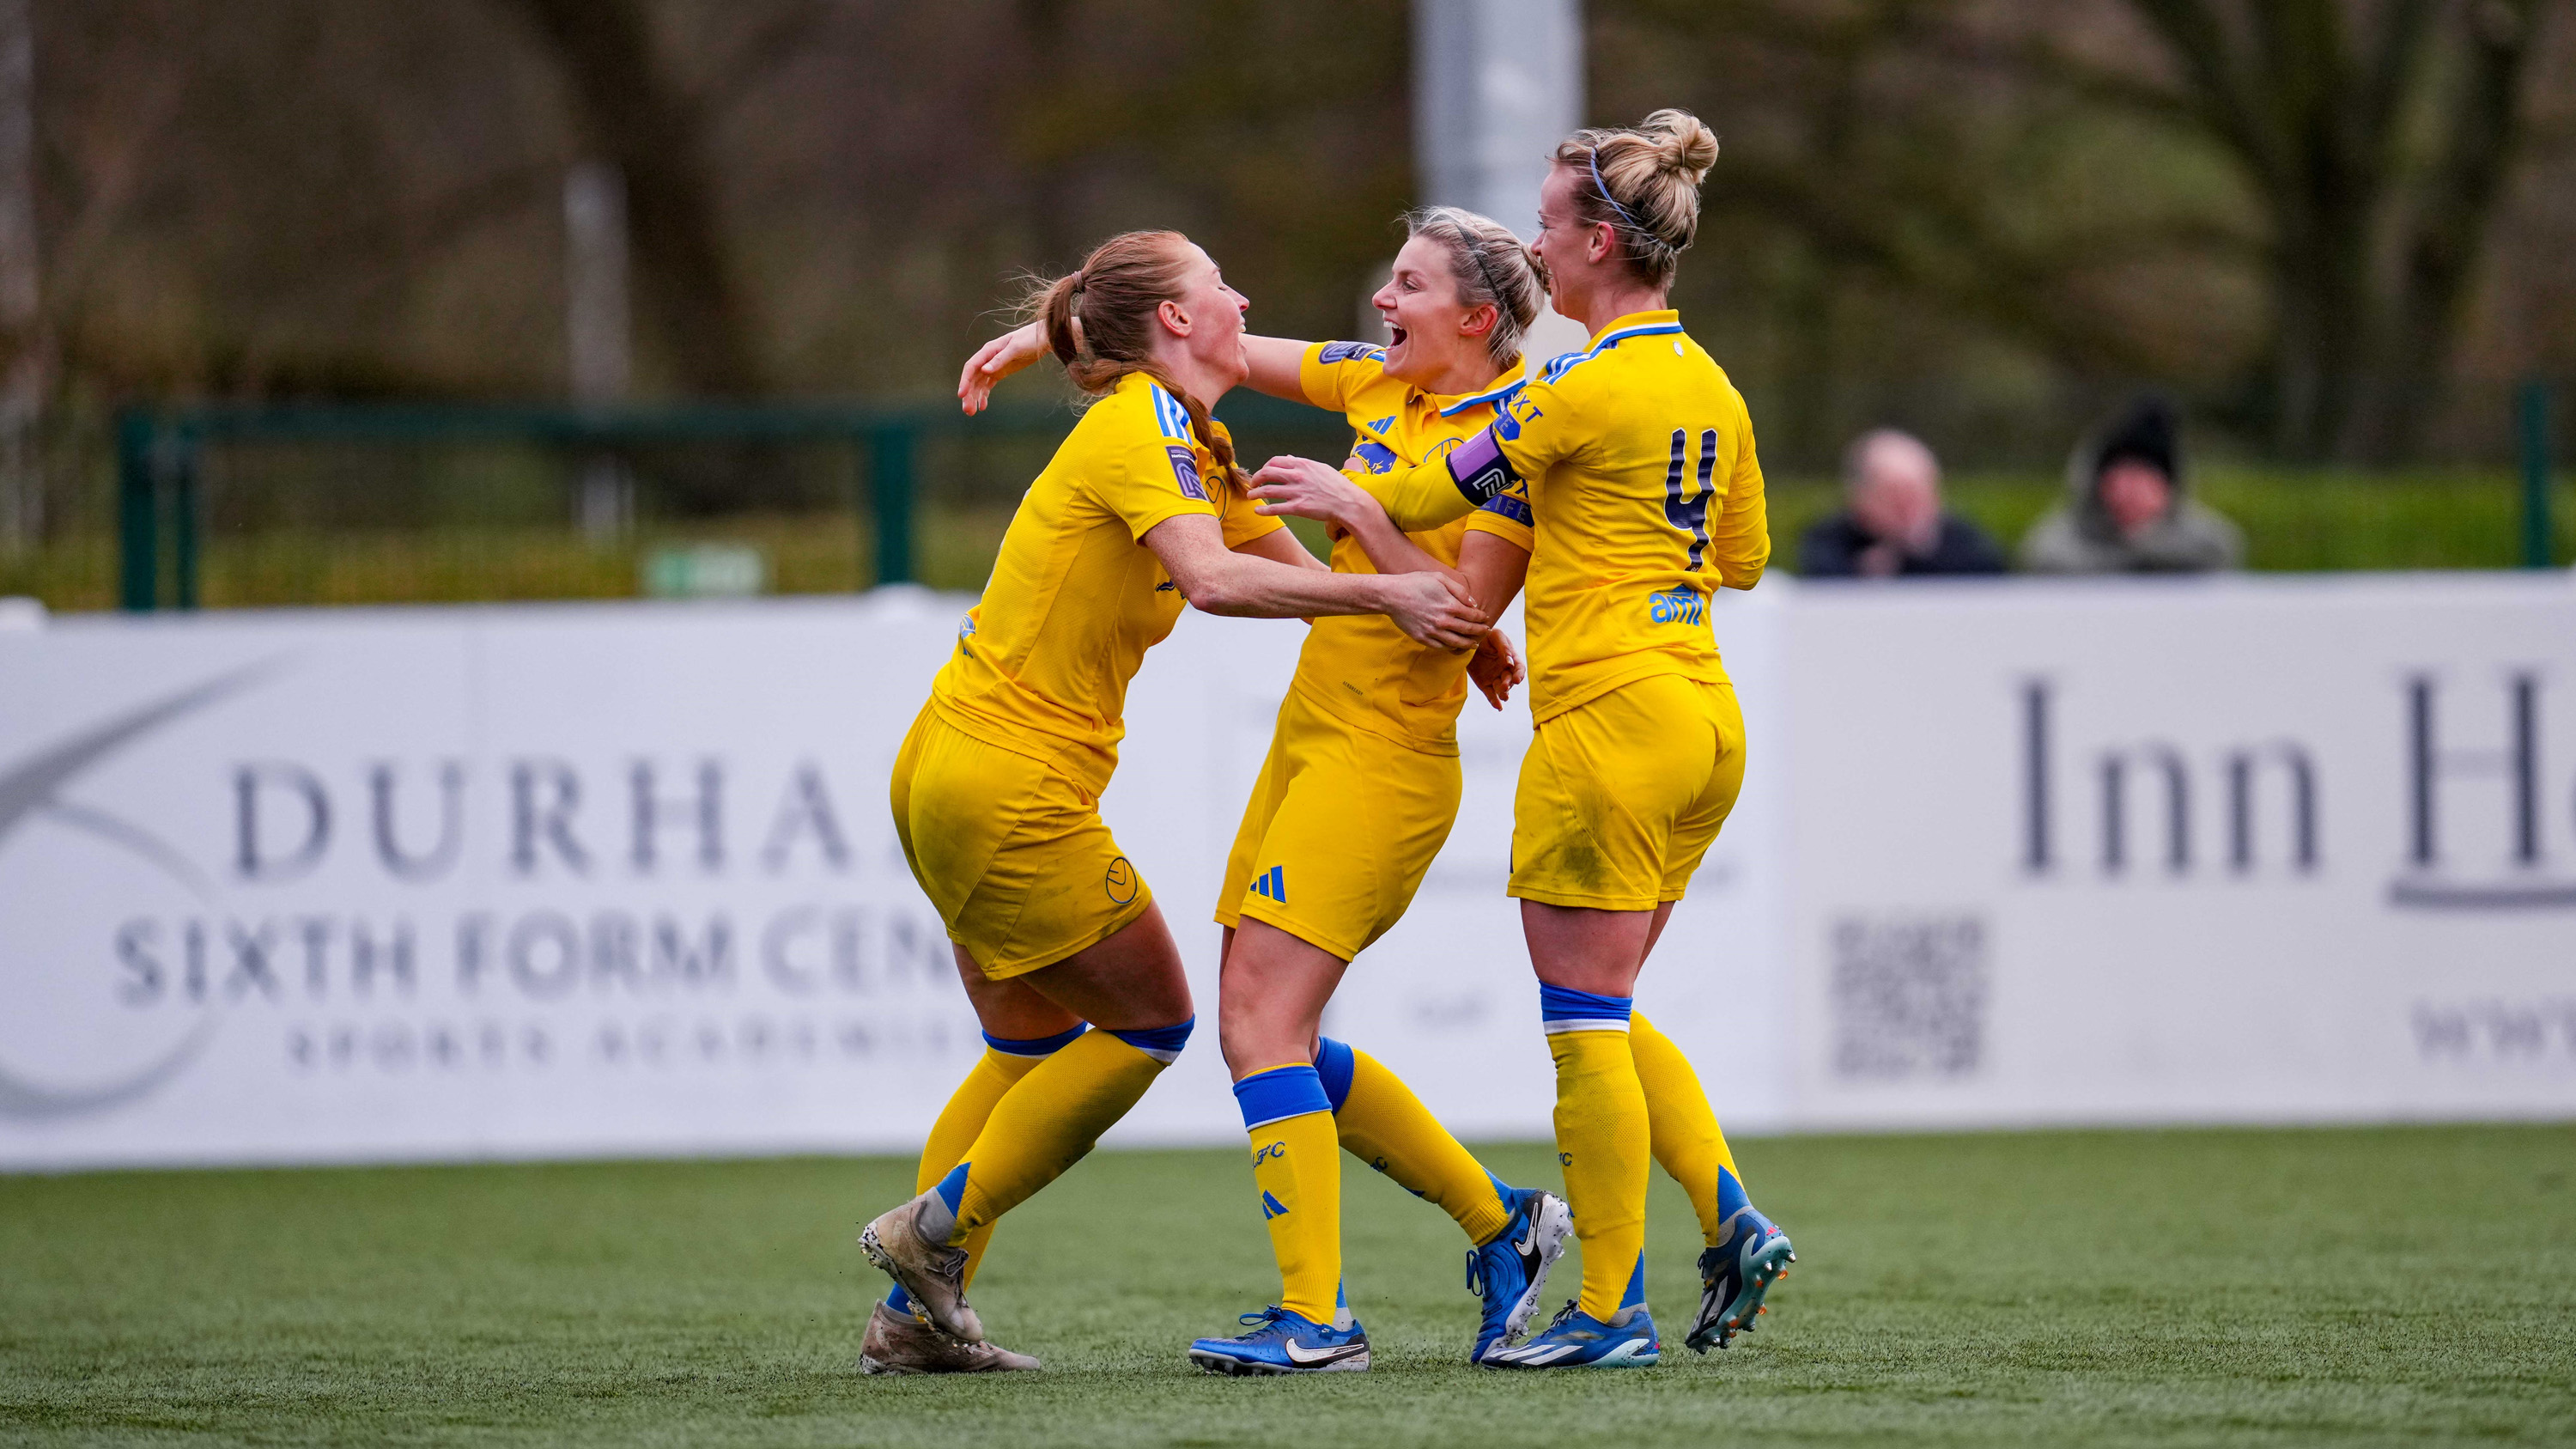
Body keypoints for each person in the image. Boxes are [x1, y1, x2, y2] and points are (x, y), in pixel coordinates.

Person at [953, 208, 1577, 1375]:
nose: (1380, 306)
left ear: (1477, 319)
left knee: (1256, 1022)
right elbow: (1210, 342)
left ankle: (1323, 1315)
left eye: (1408, 287)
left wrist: (1362, 517)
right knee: (1267, 1025)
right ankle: (1507, 1225)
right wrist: (1054, 335)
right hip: (1312, 736)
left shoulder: (1513, 440)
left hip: (1388, 763)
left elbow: (1461, 616)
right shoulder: (1372, 383)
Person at [1252, 108, 1795, 1369]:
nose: (1541, 249)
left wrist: (1340, 493)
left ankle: (1609, 1307)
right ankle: (1723, 1214)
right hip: (1702, 712)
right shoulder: (1710, 384)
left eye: (1551, 226)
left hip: (1607, 713)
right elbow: (1746, 557)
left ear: (1602, 242)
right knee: (1607, 1002)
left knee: (1580, 1016)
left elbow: (1435, 489)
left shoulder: (1576, 379)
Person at [2020, 394, 2242, 573]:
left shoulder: (2203, 538)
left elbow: (2219, 550)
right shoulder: (2064, 536)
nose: (2131, 490)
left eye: (2146, 478)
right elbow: (2046, 557)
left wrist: (2144, 542)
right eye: (2122, 476)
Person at [1799, 429, 2007, 577]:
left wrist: (1922, 552)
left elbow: (1994, 587)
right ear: (1861, 495)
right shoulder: (1830, 540)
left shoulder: (1964, 541)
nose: (1909, 506)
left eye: (1920, 491)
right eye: (1895, 495)